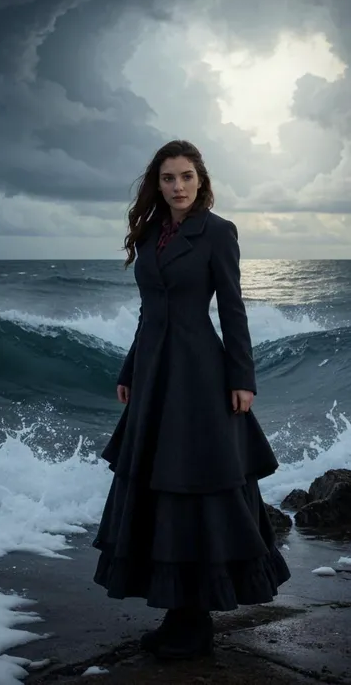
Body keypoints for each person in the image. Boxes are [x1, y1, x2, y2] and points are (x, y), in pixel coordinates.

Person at [92, 139, 290, 660]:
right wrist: (130, 368)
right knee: (160, 490)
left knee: (195, 484)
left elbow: (232, 308)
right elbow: (148, 311)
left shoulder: (218, 232)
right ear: (155, 185)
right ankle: (175, 611)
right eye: (167, 178)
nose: (177, 186)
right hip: (155, 376)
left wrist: (242, 378)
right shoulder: (151, 232)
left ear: (200, 180)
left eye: (185, 177)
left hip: (199, 375)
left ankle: (196, 618)